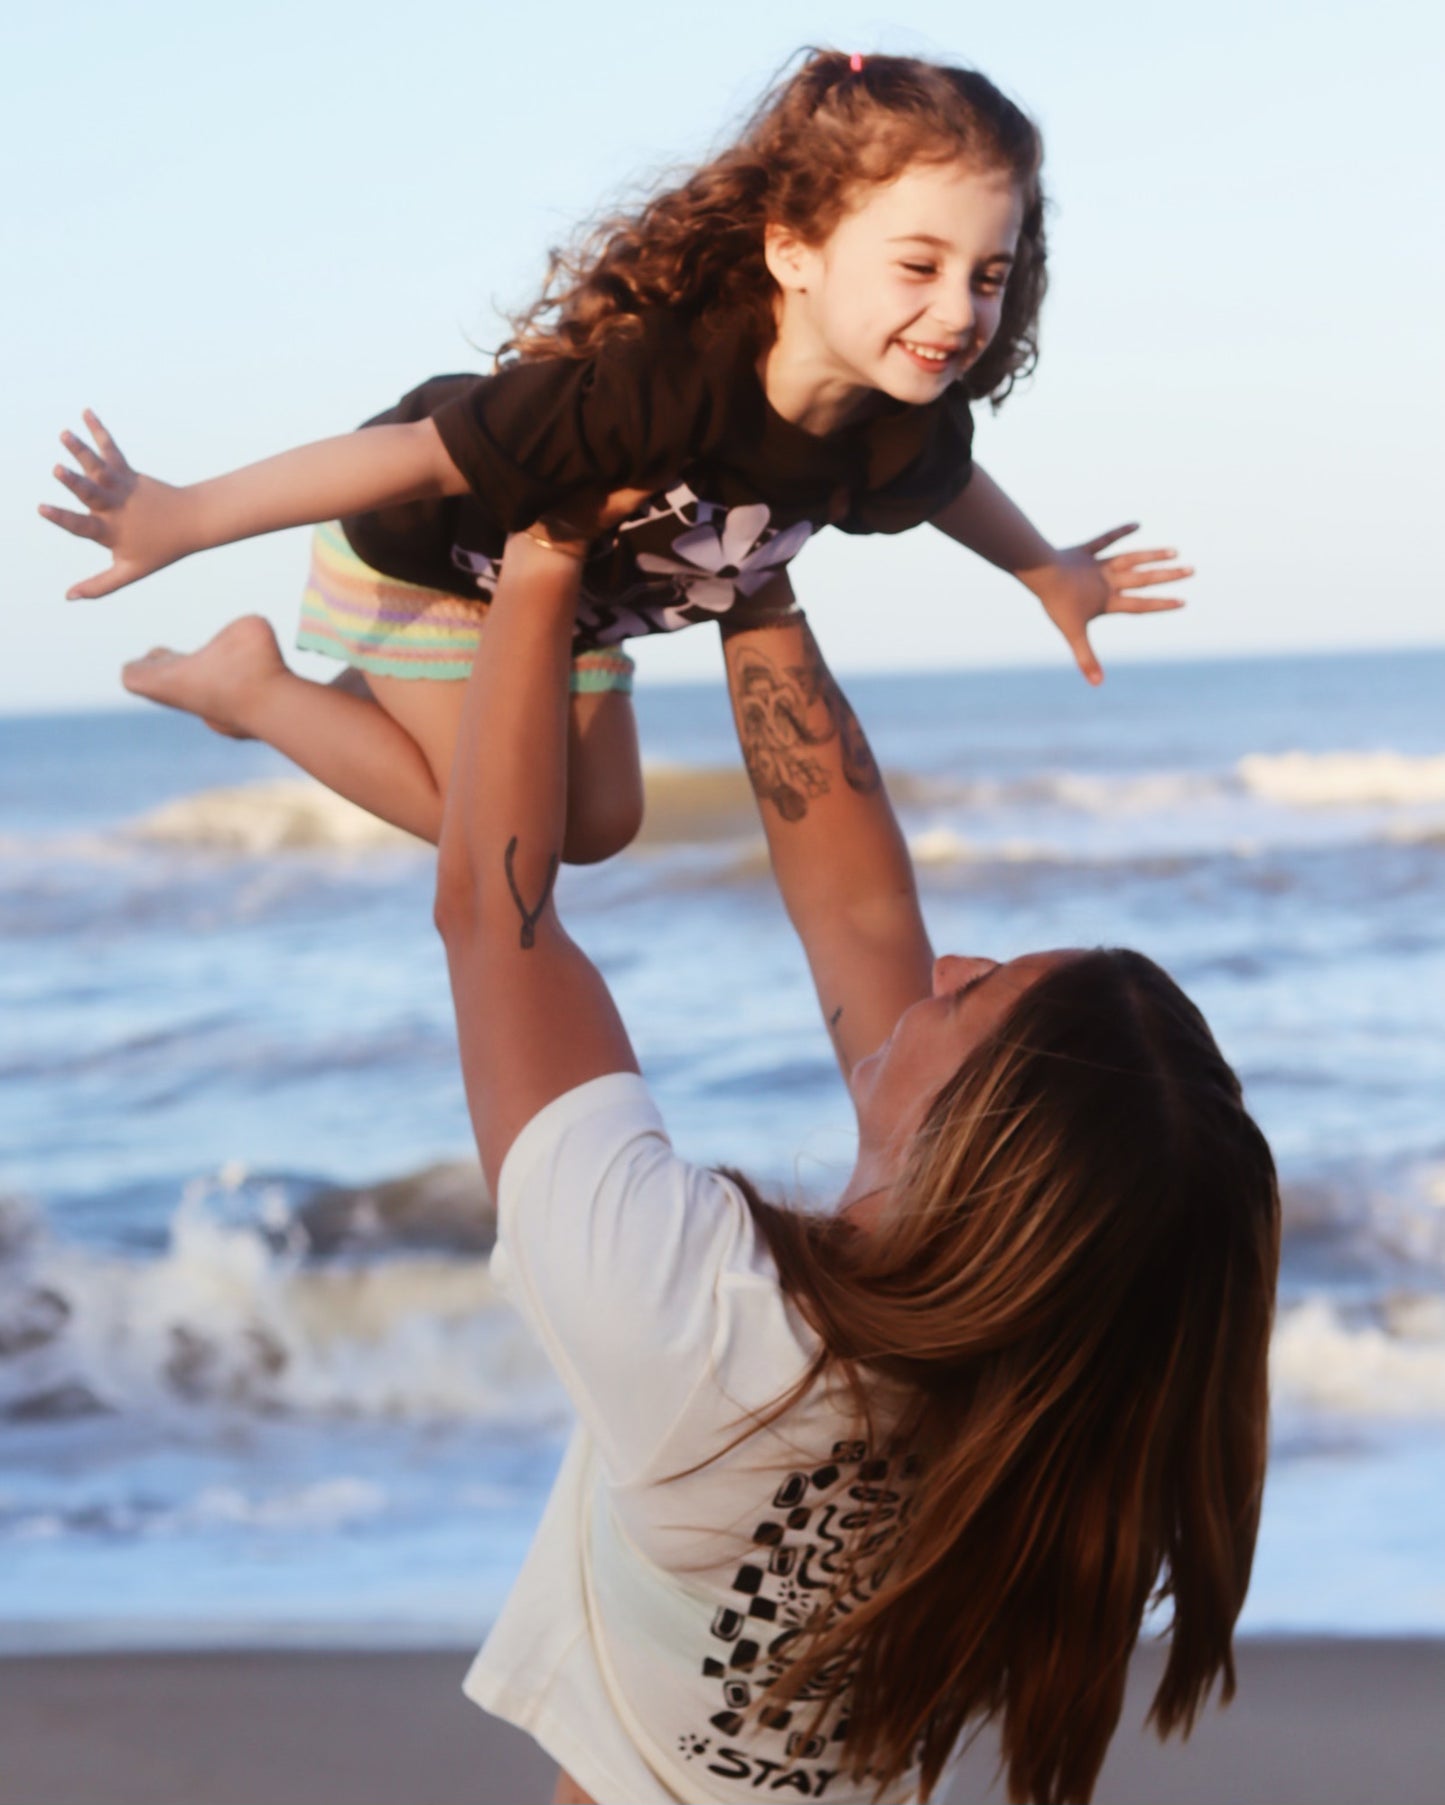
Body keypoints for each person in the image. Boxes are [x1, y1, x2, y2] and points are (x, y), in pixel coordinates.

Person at [434, 519, 1280, 1805]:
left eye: (976, 989)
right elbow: (863, 909)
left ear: (970, 1159)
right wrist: (752, 575)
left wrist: (542, 559)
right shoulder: (1047, 1409)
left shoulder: (694, 1328)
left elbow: (497, 918)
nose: (943, 965)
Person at [40, 51, 1191, 858]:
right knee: (518, 835)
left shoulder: (906, 419)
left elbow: (951, 491)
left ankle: (348, 696)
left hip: (570, 608)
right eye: (918, 265)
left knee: (603, 827)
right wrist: (183, 517)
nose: (958, 311)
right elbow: (411, 456)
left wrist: (1050, 571)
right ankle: (250, 686)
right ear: (793, 252)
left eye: (986, 276)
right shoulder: (662, 385)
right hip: (426, 566)